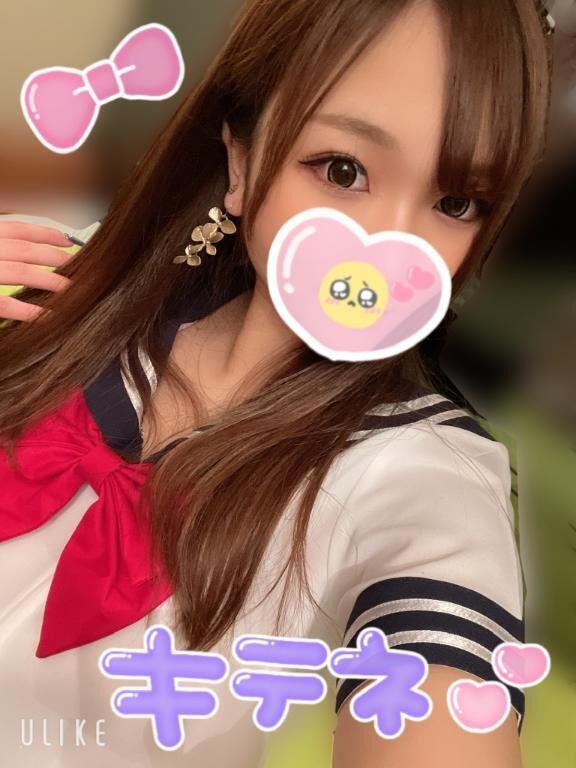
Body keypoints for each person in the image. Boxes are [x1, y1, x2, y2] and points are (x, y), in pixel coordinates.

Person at [0, 0, 553, 765]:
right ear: (241, 160)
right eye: (343, 170)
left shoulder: (422, 474)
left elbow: (443, 678)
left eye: (455, 202)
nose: (386, 247)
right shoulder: (66, 290)